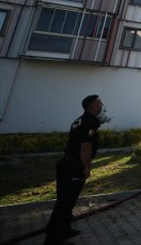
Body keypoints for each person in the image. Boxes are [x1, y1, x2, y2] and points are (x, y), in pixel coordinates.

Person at [45, 95, 104, 245]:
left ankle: (65, 229)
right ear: (92, 106)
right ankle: (53, 239)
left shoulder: (81, 120)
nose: (101, 104)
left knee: (67, 202)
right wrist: (86, 167)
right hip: (73, 167)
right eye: (99, 102)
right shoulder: (90, 122)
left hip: (68, 164)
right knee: (64, 203)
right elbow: (85, 146)